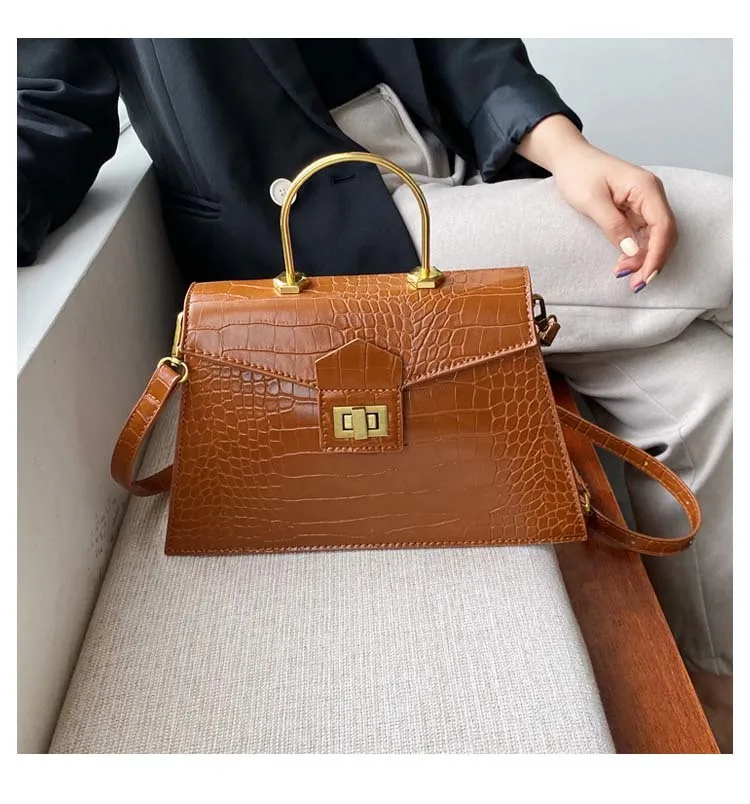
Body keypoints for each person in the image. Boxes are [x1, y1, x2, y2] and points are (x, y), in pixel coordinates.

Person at [17, 38, 732, 750]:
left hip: (471, 172)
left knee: (709, 390)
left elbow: (462, 43)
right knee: (729, 229)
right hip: (310, 228)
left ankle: (718, 702)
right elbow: (51, 105)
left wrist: (568, 152)